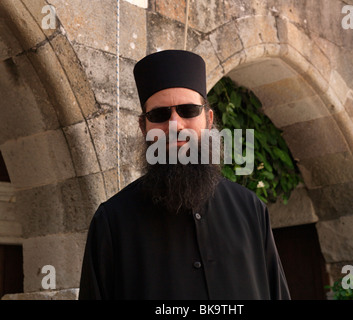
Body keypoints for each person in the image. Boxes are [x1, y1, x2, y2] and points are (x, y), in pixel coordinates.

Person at [78, 50, 290, 300]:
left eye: (188, 110)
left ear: (208, 120)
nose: (175, 125)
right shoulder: (112, 222)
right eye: (159, 115)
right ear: (143, 126)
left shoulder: (250, 209)